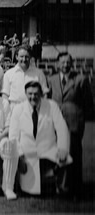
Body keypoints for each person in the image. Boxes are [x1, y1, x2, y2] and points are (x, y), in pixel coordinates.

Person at [10, 81, 72, 195]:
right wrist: (19, 156)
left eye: (36, 93)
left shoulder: (51, 105)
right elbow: (13, 136)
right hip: (27, 154)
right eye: (30, 93)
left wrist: (63, 148)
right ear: (25, 93)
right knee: (30, 189)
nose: (33, 97)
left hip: (48, 150)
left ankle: (60, 185)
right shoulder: (18, 109)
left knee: (65, 159)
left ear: (42, 94)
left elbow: (62, 128)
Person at [47, 52, 94, 198]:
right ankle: (60, 186)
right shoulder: (51, 80)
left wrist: (79, 119)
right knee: (58, 154)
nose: (65, 65)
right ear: (57, 64)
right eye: (62, 62)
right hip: (55, 122)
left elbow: (88, 104)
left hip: (73, 123)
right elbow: (47, 101)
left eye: (68, 62)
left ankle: (75, 189)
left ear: (72, 63)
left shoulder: (81, 79)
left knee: (74, 154)